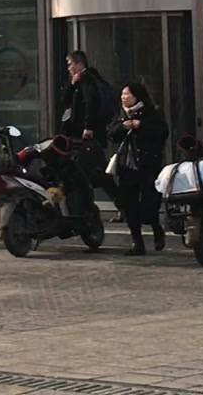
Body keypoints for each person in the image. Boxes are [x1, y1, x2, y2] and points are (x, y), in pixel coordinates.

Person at [108, 79, 170, 256]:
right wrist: (122, 127)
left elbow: (162, 132)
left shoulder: (150, 113)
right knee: (129, 203)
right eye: (122, 95)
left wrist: (141, 126)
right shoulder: (121, 113)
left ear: (136, 96)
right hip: (127, 165)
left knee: (149, 202)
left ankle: (156, 228)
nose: (123, 97)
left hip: (147, 163)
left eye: (127, 94)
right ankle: (137, 241)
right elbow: (111, 134)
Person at [61, 50, 122, 210]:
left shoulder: (87, 79)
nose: (69, 68)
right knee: (95, 171)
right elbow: (65, 100)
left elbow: (91, 103)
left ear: (79, 64)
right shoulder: (81, 81)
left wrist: (88, 126)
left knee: (89, 172)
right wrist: (72, 85)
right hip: (88, 134)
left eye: (70, 64)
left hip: (87, 135)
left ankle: (84, 207)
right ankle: (121, 205)